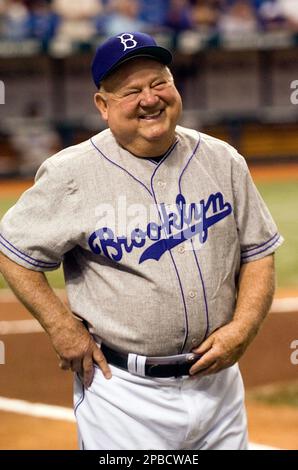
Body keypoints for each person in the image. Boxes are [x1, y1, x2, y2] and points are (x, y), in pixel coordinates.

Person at [0, 32, 283, 450]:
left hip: (218, 387)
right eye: (131, 91)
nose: (150, 99)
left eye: (159, 83)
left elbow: (258, 253)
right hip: (124, 393)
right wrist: (62, 327)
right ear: (103, 105)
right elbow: (12, 251)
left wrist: (242, 328)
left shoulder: (222, 160)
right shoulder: (72, 174)